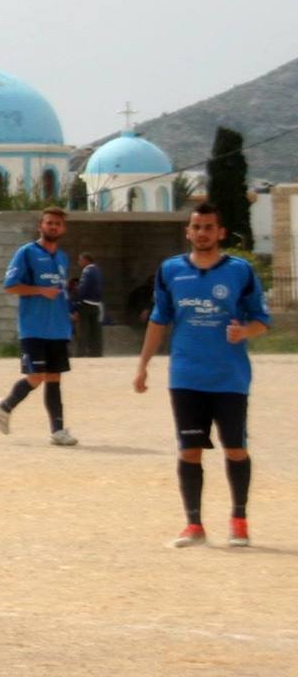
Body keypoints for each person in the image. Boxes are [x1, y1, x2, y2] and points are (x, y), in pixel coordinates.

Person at [133, 203, 271, 549]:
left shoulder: (240, 271)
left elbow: (261, 320)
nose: (202, 233)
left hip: (229, 377)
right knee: (189, 450)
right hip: (186, 376)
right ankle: (194, 524)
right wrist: (143, 364)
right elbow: (159, 320)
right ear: (188, 232)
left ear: (220, 232)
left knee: (235, 448)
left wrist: (245, 331)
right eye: (197, 227)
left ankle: (239, 521)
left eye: (209, 227)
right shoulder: (171, 270)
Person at [0, 206, 78, 446]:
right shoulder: (27, 253)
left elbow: (61, 290)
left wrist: (69, 311)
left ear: (63, 228)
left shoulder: (62, 258)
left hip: (58, 329)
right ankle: (6, 405)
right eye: (49, 222)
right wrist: (40, 290)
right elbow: (10, 286)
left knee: (54, 378)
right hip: (34, 328)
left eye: (58, 224)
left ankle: (58, 431)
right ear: (41, 225)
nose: (53, 227)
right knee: (36, 376)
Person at [74, 252, 105, 358]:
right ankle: (96, 352)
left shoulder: (87, 270)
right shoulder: (97, 270)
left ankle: (81, 353)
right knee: (95, 330)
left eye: (80, 260)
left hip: (86, 304)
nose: (79, 262)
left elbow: (83, 287)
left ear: (86, 260)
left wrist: (78, 300)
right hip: (96, 304)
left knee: (83, 330)